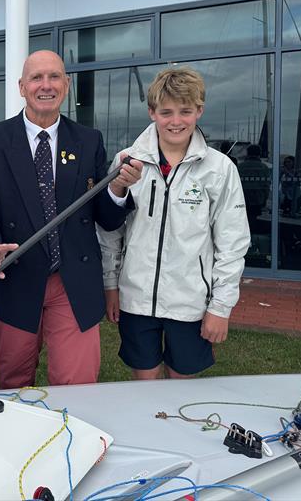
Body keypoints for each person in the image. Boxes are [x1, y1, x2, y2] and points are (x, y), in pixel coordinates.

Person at [0, 50, 142, 388]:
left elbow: (105, 217)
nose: (45, 85)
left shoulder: (89, 141)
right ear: (21, 86)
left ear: (67, 84)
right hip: (17, 275)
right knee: (15, 382)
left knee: (76, 385)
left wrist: (117, 189)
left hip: (72, 280)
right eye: (36, 77)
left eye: (54, 77)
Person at [99, 66, 250, 380]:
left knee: (181, 386)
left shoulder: (219, 169)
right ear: (152, 112)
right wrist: (111, 284)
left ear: (199, 111)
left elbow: (232, 244)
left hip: (191, 301)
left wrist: (220, 307)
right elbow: (111, 231)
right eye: (166, 112)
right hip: (136, 297)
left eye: (185, 111)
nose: (176, 121)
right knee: (144, 386)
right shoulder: (127, 161)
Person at [237, 144, 271, 234]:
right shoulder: (264, 167)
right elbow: (266, 185)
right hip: (257, 198)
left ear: (248, 153)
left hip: (242, 198)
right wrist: (265, 199)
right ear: (259, 153)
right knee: (253, 220)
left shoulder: (240, 167)